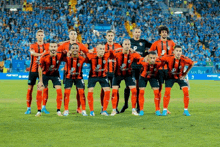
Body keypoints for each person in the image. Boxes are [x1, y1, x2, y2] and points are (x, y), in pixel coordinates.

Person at [121, 27, 152, 113]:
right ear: (133, 33)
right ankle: (126, 104)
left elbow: (153, 47)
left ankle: (138, 106)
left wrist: (147, 55)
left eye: (139, 32)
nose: (137, 33)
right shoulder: (129, 42)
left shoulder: (143, 42)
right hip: (130, 67)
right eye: (136, 32)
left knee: (137, 87)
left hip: (140, 68)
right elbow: (121, 49)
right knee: (128, 86)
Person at [159, 45, 196, 116]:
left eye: (180, 51)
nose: (178, 52)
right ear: (174, 51)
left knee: (186, 91)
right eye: (177, 51)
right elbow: (159, 59)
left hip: (180, 77)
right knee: (167, 92)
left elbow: (192, 63)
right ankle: (164, 110)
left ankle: (186, 110)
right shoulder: (168, 57)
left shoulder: (184, 59)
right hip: (170, 77)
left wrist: (185, 73)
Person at [58, 29, 88, 114]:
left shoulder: (80, 45)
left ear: (76, 35)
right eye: (71, 34)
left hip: (78, 71)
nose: (73, 35)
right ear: (69, 35)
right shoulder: (65, 44)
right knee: (67, 91)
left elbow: (88, 53)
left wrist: (83, 56)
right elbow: (58, 52)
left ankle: (79, 108)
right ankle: (66, 109)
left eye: (74, 34)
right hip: (67, 71)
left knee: (80, 91)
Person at [149, 25, 176, 114]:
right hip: (159, 69)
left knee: (167, 90)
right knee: (159, 89)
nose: (164, 33)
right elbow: (150, 53)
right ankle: (157, 108)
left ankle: (165, 108)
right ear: (160, 33)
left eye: (165, 32)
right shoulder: (156, 43)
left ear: (167, 33)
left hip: (168, 69)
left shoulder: (172, 43)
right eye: (162, 32)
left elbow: (176, 53)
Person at [111, 39, 141, 116]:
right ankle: (114, 110)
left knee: (134, 91)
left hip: (128, 74)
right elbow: (109, 54)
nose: (127, 46)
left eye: (128, 44)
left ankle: (134, 110)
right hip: (117, 74)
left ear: (130, 46)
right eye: (125, 44)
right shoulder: (117, 52)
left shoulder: (133, 54)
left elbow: (141, 59)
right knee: (114, 92)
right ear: (122, 45)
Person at [25, 30, 50, 115]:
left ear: (44, 36)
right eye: (38, 35)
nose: (40, 36)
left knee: (45, 88)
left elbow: (57, 44)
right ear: (36, 36)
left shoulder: (47, 45)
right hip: (33, 71)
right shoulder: (33, 45)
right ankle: (28, 108)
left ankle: (43, 107)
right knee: (30, 89)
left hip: (43, 71)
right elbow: (32, 53)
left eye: (41, 35)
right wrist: (43, 54)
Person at [36, 42, 65, 117]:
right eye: (51, 46)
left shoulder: (60, 54)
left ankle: (58, 110)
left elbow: (68, 57)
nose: (53, 48)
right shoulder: (44, 55)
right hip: (45, 74)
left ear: (56, 48)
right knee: (40, 88)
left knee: (59, 90)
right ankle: (39, 111)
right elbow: (39, 67)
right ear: (49, 48)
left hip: (55, 74)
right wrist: (40, 81)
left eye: (55, 46)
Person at [100, 30, 122, 113]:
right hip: (105, 72)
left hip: (115, 73)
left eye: (111, 35)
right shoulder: (102, 47)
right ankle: (103, 107)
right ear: (106, 37)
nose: (110, 37)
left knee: (116, 90)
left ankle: (115, 108)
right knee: (103, 90)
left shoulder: (118, 46)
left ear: (114, 36)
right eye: (108, 35)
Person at [62, 43, 87, 116]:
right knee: (67, 93)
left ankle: (83, 110)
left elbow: (88, 58)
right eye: (73, 48)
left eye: (76, 48)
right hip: (69, 77)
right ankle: (66, 110)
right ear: (70, 50)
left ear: (79, 49)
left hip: (79, 77)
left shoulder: (82, 58)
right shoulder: (66, 58)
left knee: (81, 93)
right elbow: (59, 54)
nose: (75, 49)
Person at [86, 43, 111, 116]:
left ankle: (104, 110)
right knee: (90, 91)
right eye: (100, 49)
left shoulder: (107, 54)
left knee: (108, 91)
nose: (102, 50)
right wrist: (92, 50)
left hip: (103, 76)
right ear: (96, 49)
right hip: (93, 76)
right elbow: (86, 52)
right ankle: (91, 111)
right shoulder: (91, 55)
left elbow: (115, 50)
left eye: (103, 49)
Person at [137, 51, 165, 116]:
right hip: (143, 77)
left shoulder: (158, 62)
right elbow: (138, 61)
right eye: (151, 58)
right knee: (141, 92)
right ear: (148, 58)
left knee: (156, 93)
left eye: (154, 58)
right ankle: (141, 110)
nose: (152, 59)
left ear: (156, 58)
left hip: (153, 77)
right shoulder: (143, 61)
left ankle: (157, 110)